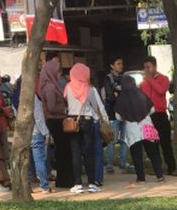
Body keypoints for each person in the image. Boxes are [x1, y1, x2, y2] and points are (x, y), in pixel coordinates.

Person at [63, 63, 107, 194]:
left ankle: (77, 184)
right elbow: (95, 105)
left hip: (72, 121)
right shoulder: (89, 89)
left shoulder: (67, 87)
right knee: (89, 152)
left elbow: (66, 102)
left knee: (75, 153)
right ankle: (92, 183)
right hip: (87, 120)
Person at [116, 74, 164, 185]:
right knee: (153, 153)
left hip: (132, 130)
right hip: (147, 126)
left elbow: (118, 117)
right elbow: (152, 109)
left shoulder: (121, 99)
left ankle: (141, 178)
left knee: (137, 155)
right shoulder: (141, 94)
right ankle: (159, 175)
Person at [139, 55, 177, 175]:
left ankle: (171, 167)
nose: (147, 70)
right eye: (145, 67)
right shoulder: (143, 82)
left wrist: (150, 80)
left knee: (165, 143)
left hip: (160, 115)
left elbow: (161, 91)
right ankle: (157, 167)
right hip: (148, 116)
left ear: (155, 66)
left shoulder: (163, 79)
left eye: (149, 67)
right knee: (151, 143)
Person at [39, 56, 73, 189]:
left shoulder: (51, 84)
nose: (59, 74)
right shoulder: (50, 86)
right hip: (56, 121)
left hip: (57, 120)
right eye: (57, 71)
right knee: (63, 150)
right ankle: (65, 179)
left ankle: (65, 178)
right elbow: (52, 107)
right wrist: (65, 109)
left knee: (63, 150)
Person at [101, 56, 130, 173]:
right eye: (118, 64)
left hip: (125, 112)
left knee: (124, 139)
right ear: (112, 66)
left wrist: (119, 94)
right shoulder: (108, 79)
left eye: (121, 64)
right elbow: (110, 96)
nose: (121, 66)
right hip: (113, 113)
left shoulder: (125, 78)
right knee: (112, 140)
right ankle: (109, 164)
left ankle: (123, 162)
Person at [31, 93, 53, 193]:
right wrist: (46, 133)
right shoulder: (33, 97)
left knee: (26, 160)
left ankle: (26, 186)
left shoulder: (17, 95)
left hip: (24, 133)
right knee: (39, 160)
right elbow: (38, 117)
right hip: (36, 132)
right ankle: (44, 186)